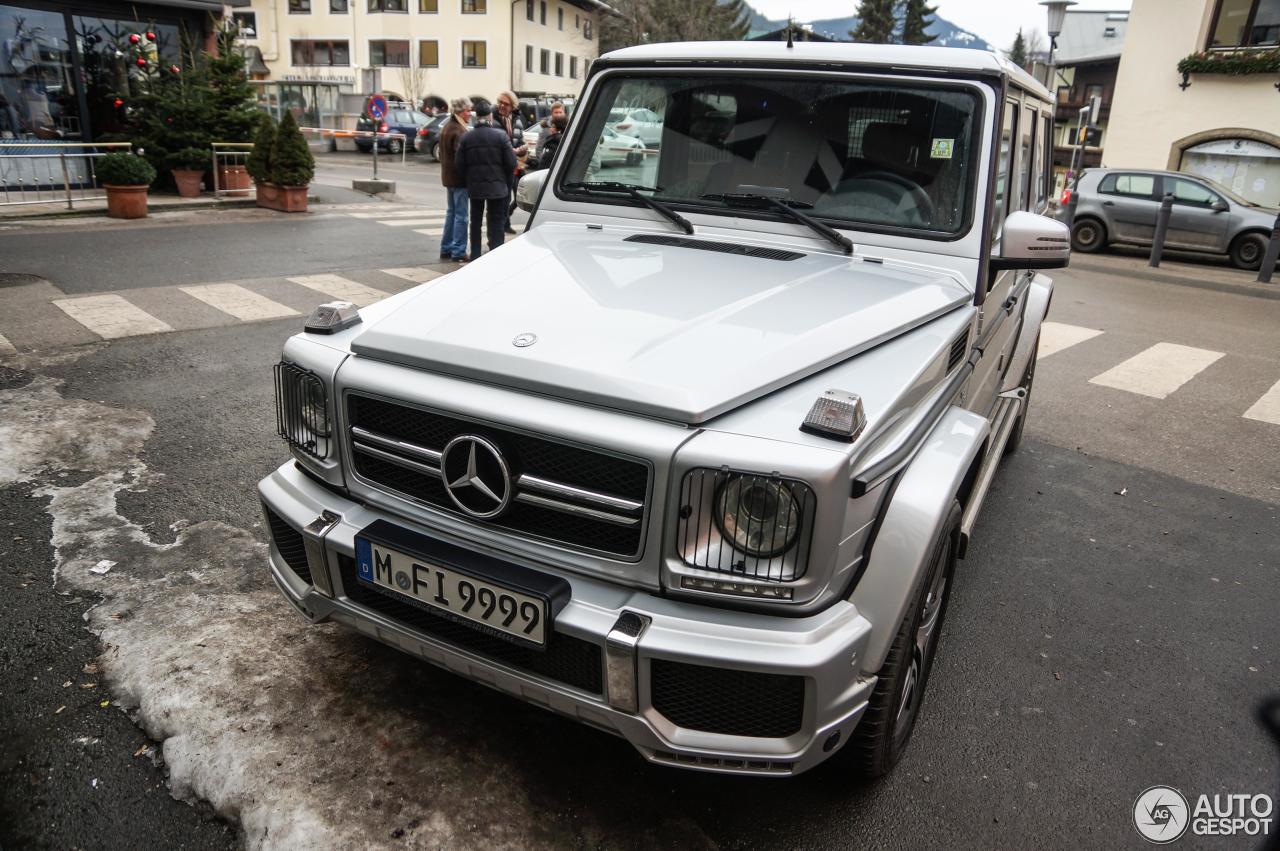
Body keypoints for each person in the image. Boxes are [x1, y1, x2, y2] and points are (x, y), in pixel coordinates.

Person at [455, 100, 517, 261]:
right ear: (490, 116)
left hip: (475, 187)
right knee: (495, 221)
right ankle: (495, 253)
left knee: (475, 221)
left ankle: (475, 254)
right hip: (497, 187)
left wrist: (469, 178)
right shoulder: (501, 136)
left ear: (476, 117)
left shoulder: (467, 138)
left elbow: (459, 164)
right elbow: (511, 163)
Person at [437, 96, 472, 262]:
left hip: (449, 178)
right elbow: (462, 158)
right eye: (467, 110)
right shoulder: (459, 131)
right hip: (459, 180)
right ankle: (458, 250)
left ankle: (446, 248)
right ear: (460, 111)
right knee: (461, 216)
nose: (469, 113)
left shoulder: (447, 127)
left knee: (451, 214)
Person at [493, 91, 526, 234]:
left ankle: (506, 219)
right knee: (504, 198)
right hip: (502, 166)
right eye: (500, 102)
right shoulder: (494, 120)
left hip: (517, 164)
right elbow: (498, 146)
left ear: (512, 106)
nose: (502, 105)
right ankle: (503, 225)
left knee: (521, 194)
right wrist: (515, 154)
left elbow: (520, 140)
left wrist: (523, 151)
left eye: (506, 104)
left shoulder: (517, 119)